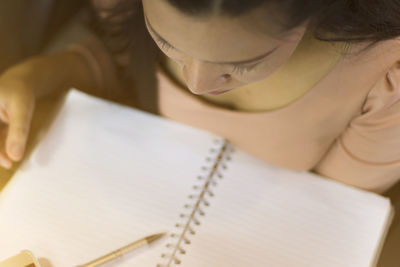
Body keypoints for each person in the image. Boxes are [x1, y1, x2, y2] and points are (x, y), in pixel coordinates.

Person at [0, 0, 400, 194]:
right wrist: (40, 75)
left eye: (242, 64)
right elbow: (120, 60)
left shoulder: (385, 76)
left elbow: (339, 213)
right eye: (164, 42)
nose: (196, 83)